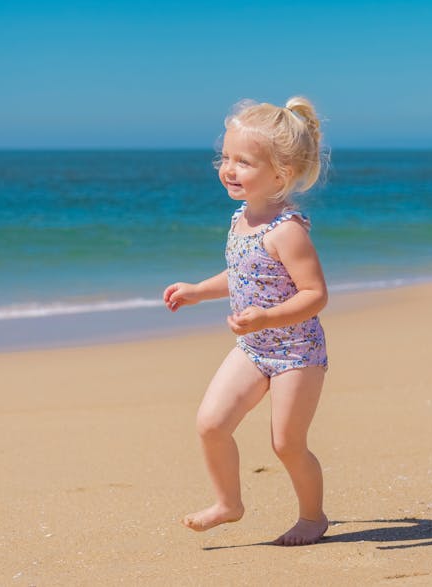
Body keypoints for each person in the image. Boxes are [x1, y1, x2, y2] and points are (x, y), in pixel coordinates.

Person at [163, 96, 329, 546]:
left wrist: (267, 317)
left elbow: (316, 295)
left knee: (287, 444)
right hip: (255, 349)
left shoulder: (287, 231)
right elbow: (241, 275)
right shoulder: (241, 219)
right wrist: (199, 290)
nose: (229, 169)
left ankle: (313, 517)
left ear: (281, 174)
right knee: (211, 424)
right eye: (226, 158)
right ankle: (228, 504)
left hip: (297, 352)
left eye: (244, 161)